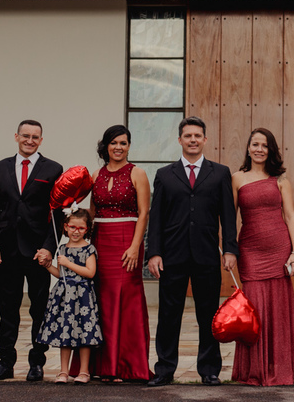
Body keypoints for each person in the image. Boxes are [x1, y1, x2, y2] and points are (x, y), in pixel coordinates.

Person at [146, 116, 238, 386]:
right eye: (188, 136)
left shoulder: (220, 172)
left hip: (207, 255)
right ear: (180, 140)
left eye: (198, 136)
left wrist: (230, 249)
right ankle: (164, 369)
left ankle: (209, 369)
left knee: (208, 314)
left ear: (205, 140)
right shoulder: (165, 174)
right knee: (168, 315)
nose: (193, 140)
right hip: (171, 257)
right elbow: (157, 219)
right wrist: (154, 253)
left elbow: (229, 216)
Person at [0, 119, 63, 382]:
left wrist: (49, 249)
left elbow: (57, 214)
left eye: (35, 137)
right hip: (6, 251)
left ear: (41, 140)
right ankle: (5, 362)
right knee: (8, 310)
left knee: (39, 308)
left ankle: (37, 363)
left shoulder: (53, 169)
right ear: (16, 136)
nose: (30, 140)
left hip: (37, 251)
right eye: (25, 135)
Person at [230, 127, 294, 386]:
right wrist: (228, 248)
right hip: (250, 250)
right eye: (255, 144)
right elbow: (230, 218)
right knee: (254, 308)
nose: (259, 149)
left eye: (264, 145)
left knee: (278, 309)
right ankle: (253, 370)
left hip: (279, 249)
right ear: (248, 148)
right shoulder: (237, 178)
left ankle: (279, 370)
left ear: (270, 150)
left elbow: (290, 216)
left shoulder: (281, 180)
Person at [76, 124, 151, 382]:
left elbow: (144, 213)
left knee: (125, 299)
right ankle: (100, 366)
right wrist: (84, 244)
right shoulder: (95, 174)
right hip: (100, 241)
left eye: (123, 143)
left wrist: (134, 246)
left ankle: (125, 366)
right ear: (106, 146)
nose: (119, 147)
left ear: (129, 146)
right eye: (114, 143)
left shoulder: (138, 173)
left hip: (126, 241)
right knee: (100, 301)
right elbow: (92, 213)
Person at [38, 208, 103, 384]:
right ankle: (63, 371)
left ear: (87, 229)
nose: (76, 231)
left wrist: (68, 263)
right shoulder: (62, 248)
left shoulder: (88, 249)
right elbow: (61, 274)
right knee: (65, 332)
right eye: (72, 227)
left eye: (81, 228)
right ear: (65, 227)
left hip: (82, 296)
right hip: (65, 297)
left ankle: (84, 371)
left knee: (84, 334)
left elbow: (90, 272)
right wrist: (47, 265)